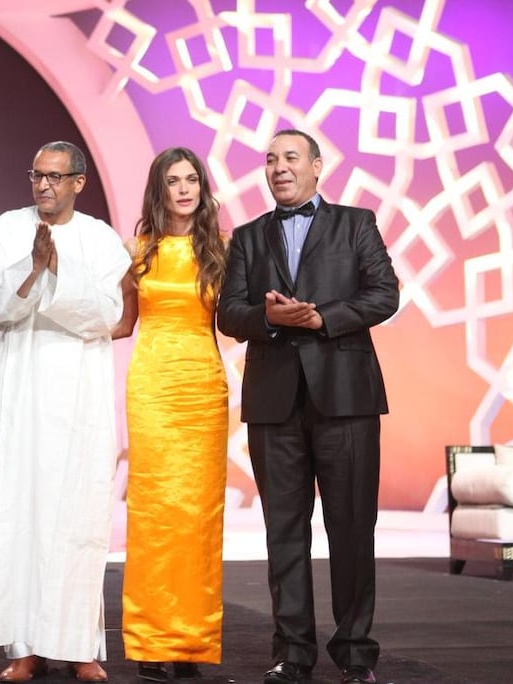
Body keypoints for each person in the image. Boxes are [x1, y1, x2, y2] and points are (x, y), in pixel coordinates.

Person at [217, 129, 399, 684]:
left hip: (345, 399)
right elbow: (229, 313)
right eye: (270, 160)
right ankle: (292, 654)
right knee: (284, 532)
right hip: (275, 405)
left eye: (290, 158)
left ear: (318, 166)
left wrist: (322, 317)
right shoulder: (248, 236)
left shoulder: (355, 223)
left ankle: (355, 654)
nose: (278, 168)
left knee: (350, 529)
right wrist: (269, 319)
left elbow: (384, 294)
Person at [0, 141, 131, 684]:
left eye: (56, 177)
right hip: (22, 393)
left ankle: (78, 645)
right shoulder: (6, 229)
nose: (44, 186)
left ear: (78, 183)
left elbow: (109, 314)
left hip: (79, 398)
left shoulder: (101, 239)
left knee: (77, 518)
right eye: (37, 175)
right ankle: (25, 647)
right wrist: (32, 267)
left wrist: (57, 273)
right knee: (22, 516)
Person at [112, 147, 229, 681]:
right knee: (156, 514)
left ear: (202, 189)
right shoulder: (136, 252)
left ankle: (192, 642)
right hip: (153, 387)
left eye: (191, 180)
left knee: (198, 517)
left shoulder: (223, 251)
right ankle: (151, 642)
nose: (183, 189)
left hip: (204, 388)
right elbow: (121, 324)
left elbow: (238, 318)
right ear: (158, 190)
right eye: (172, 181)